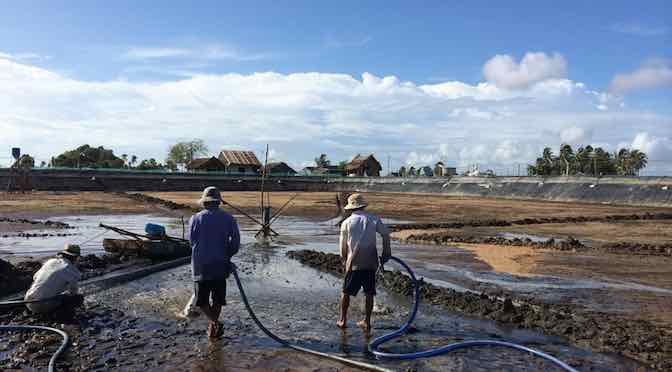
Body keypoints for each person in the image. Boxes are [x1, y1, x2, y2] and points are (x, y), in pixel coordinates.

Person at [190, 186, 240, 339]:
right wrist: (227, 256)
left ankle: (214, 324)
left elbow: (192, 241)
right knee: (218, 299)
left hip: (201, 265)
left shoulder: (195, 218)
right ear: (218, 202)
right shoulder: (229, 218)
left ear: (205, 202)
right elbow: (236, 243)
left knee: (202, 301)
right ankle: (214, 326)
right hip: (220, 264)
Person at [337, 193, 391, 332]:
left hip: (354, 263)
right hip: (370, 262)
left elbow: (343, 247)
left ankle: (342, 319)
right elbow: (385, 234)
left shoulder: (347, 223)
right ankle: (366, 321)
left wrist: (344, 261)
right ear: (363, 206)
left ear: (350, 208)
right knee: (369, 293)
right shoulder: (374, 219)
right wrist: (386, 252)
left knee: (346, 292)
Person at [24, 244, 84, 314]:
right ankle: (63, 315)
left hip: (28, 302)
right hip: (43, 306)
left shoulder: (49, 262)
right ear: (75, 258)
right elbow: (73, 292)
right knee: (78, 298)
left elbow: (35, 277)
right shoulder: (72, 270)